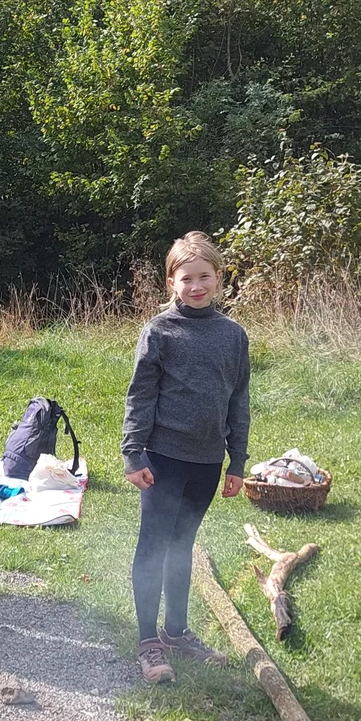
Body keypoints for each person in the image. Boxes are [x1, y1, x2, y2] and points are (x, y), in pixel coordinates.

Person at [121, 231, 250, 684]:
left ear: (219, 279)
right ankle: (147, 641)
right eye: (186, 278)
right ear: (171, 282)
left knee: (183, 547)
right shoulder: (159, 332)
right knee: (154, 547)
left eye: (205, 277)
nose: (196, 286)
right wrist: (133, 452)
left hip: (207, 463)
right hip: (162, 459)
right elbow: (140, 396)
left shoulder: (233, 336)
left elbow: (239, 400)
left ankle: (176, 631)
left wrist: (236, 461)